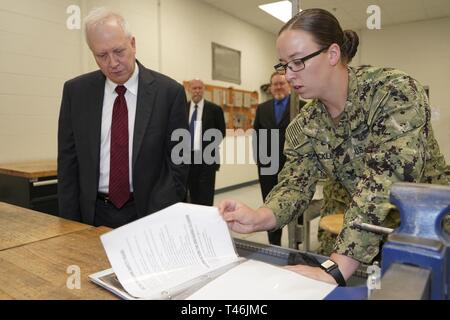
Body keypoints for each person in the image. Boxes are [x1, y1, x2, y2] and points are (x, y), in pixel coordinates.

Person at [218, 8, 448, 285]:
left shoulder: (392, 92)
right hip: (363, 233)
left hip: (429, 231)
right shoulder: (306, 124)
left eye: (297, 62)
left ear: (332, 54)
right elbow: (295, 185)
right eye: (283, 65)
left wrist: (337, 267)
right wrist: (259, 217)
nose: (288, 75)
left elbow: (383, 184)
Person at [58, 8, 189, 228]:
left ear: (133, 44)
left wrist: (163, 211)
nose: (112, 63)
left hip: (149, 212)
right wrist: (69, 223)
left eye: (118, 51)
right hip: (93, 214)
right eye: (101, 55)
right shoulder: (76, 92)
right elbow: (68, 163)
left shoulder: (169, 93)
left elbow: (180, 161)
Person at [253, 72, 306, 246]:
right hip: (267, 165)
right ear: (270, 87)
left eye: (281, 84)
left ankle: (296, 244)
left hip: (293, 166)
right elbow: (257, 135)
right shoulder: (263, 108)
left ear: (289, 84)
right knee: (269, 203)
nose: (278, 87)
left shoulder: (302, 107)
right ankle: (274, 245)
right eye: (275, 84)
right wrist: (259, 159)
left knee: (296, 203)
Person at [186, 79, 226, 206]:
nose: (197, 91)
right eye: (194, 88)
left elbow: (221, 132)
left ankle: (206, 223)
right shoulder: (182, 108)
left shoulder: (215, 109)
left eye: (199, 88)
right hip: (186, 159)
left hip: (207, 159)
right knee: (191, 194)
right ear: (189, 90)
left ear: (204, 90)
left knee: (206, 195)